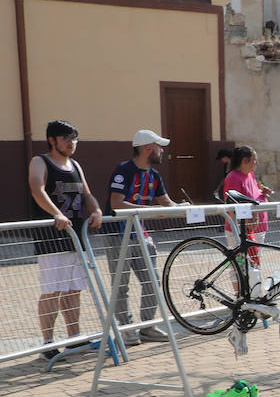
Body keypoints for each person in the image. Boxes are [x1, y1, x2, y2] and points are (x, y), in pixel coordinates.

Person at [28, 120, 102, 358]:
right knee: (52, 290)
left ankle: (74, 338)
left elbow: (87, 194)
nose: (72, 143)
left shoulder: (75, 165)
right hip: (51, 237)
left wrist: (96, 210)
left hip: (75, 236)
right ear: (52, 140)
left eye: (74, 138)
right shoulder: (40, 162)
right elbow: (36, 189)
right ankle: (48, 344)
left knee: (73, 290)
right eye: (67, 138)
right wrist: (56, 213)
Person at [106, 130, 177, 346]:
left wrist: (184, 209)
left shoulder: (154, 175)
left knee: (152, 282)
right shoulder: (123, 170)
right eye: (159, 146)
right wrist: (149, 211)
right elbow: (116, 203)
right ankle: (127, 329)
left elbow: (166, 202)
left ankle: (148, 327)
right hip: (118, 235)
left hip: (141, 235)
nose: (162, 150)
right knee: (121, 285)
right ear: (148, 148)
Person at [222, 145, 272, 267]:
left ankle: (252, 286)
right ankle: (241, 286)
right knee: (240, 266)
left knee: (254, 264)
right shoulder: (233, 177)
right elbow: (231, 204)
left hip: (257, 228)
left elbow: (253, 192)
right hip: (243, 230)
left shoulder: (250, 174)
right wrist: (240, 230)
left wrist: (262, 193)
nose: (257, 163)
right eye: (254, 160)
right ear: (245, 160)